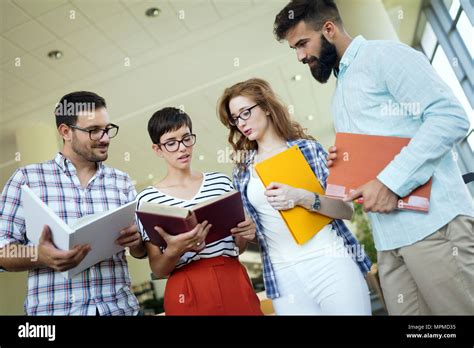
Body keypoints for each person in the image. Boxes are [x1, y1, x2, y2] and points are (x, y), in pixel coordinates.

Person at [274, 0, 474, 314]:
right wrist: (344, 163)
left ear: (329, 29)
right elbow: (385, 141)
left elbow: (450, 118)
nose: (300, 56)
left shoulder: (384, 56)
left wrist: (390, 182)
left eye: (302, 44)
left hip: (435, 226)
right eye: (294, 49)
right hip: (389, 241)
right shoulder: (340, 93)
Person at [217, 78, 371, 315]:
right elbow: (260, 231)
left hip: (329, 261)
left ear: (266, 107)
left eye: (246, 112)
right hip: (283, 275)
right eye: (235, 118)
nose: (241, 123)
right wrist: (247, 232)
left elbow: (346, 210)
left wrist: (303, 197)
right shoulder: (242, 171)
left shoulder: (307, 150)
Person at [0, 91, 146, 315]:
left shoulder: (122, 181)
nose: (105, 138)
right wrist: (40, 256)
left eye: (106, 129)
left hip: (120, 310)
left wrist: (137, 244)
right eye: (94, 130)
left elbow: (140, 251)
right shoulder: (27, 180)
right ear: (66, 132)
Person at [135, 107, 263, 316]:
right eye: (171, 143)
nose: (182, 148)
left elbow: (237, 248)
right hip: (184, 286)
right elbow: (158, 269)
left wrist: (245, 232)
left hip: (232, 277)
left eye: (187, 138)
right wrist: (175, 250)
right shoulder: (147, 200)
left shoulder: (220, 183)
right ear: (157, 149)